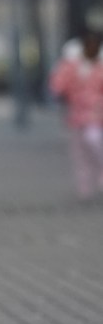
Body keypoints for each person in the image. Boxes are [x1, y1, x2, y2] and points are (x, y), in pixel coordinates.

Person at [49, 28, 103, 202]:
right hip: (76, 115)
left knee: (94, 142)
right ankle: (85, 187)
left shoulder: (100, 67)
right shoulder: (72, 66)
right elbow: (57, 85)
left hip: (96, 115)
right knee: (79, 154)